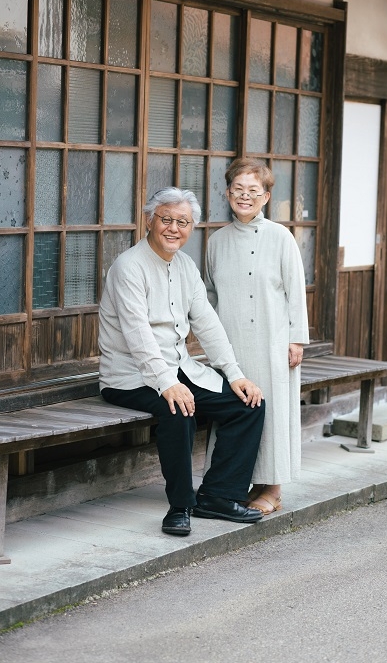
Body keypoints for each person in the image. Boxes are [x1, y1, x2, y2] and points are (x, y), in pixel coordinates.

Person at [98, 186, 266, 537]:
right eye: (167, 219)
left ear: (192, 228)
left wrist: (234, 374)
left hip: (177, 368)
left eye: (183, 222)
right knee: (178, 410)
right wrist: (168, 384)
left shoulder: (186, 266)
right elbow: (137, 335)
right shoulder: (129, 267)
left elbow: (206, 321)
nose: (174, 228)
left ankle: (218, 496)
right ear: (149, 220)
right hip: (129, 378)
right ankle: (180, 506)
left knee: (247, 404)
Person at [205, 158, 309, 515]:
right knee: (238, 410)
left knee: (273, 412)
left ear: (266, 196)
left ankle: (273, 488)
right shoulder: (216, 242)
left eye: (253, 191)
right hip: (233, 345)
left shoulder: (281, 238)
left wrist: (296, 339)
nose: (245, 196)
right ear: (227, 192)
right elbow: (210, 297)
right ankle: (236, 483)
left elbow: (296, 291)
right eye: (238, 189)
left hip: (272, 340)